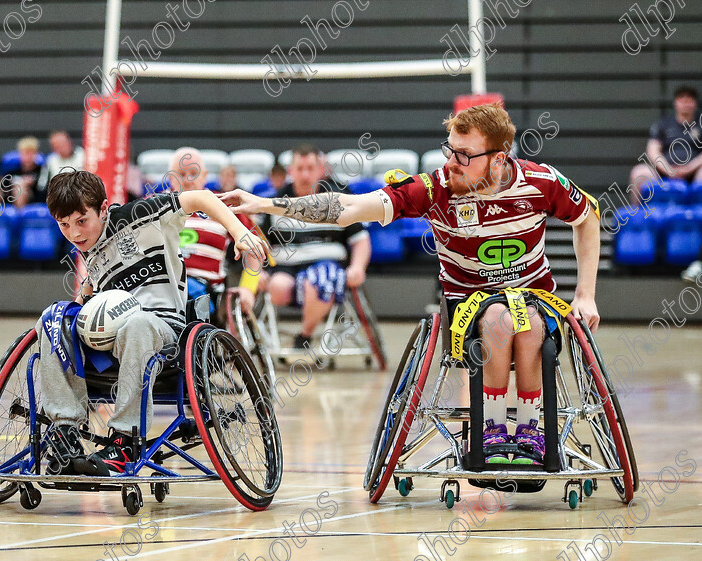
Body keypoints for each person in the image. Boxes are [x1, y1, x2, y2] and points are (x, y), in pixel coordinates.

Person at [220, 104, 601, 465]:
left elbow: (588, 216)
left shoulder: (541, 182)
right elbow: (348, 208)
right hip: (468, 303)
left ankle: (532, 428)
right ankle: (493, 429)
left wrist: (585, 295)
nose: (451, 163)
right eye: (449, 151)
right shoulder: (436, 189)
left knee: (529, 324)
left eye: (464, 155)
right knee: (500, 319)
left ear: (499, 159)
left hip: (532, 298)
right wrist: (266, 205)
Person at [37, 169, 267, 476]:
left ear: (104, 208)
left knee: (138, 324)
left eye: (82, 221)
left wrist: (240, 233)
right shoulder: (89, 250)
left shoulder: (141, 214)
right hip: (110, 347)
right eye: (64, 225)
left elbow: (201, 197)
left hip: (164, 330)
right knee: (53, 318)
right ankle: (64, 430)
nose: (75, 233)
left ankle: (124, 441)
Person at [248, 144, 371, 351]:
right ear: (291, 171)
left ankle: (304, 335)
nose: (305, 174)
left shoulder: (338, 199)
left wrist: (358, 267)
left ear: (320, 170)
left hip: (326, 265)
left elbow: (360, 240)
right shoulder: (274, 202)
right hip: (286, 268)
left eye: (310, 168)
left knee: (318, 281)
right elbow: (255, 242)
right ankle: (307, 316)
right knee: (277, 287)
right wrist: (256, 272)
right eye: (300, 168)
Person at [167, 148, 260, 315]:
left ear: (205, 176)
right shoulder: (152, 207)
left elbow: (256, 247)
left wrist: (248, 288)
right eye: (181, 174)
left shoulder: (223, 204)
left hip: (204, 291)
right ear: (170, 178)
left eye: (194, 173)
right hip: (162, 286)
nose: (188, 180)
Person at [629, 86, 702, 203]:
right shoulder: (663, 124)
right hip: (663, 173)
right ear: (676, 103)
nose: (685, 104)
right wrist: (669, 170)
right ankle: (638, 217)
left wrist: (688, 169)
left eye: (689, 100)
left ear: (695, 103)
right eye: (682, 100)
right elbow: (652, 151)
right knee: (639, 173)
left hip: (694, 174)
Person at [1, 136, 43, 207]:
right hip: (10, 200)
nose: (28, 157)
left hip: (34, 201)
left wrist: (31, 184)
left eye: (32, 153)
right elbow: (3, 189)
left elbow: (43, 192)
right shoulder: (12, 170)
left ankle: (21, 216)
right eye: (26, 153)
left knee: (20, 187)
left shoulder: (41, 170)